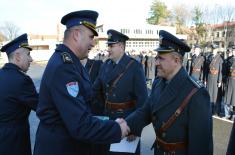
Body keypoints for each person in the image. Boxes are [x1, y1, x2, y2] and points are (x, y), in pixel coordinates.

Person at [33, 10, 130, 155]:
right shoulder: (64, 67)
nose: (93, 43)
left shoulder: (71, 62)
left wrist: (107, 123)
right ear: (76, 34)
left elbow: (83, 106)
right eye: (91, 37)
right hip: (60, 148)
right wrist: (116, 129)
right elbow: (79, 124)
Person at [124, 30, 213, 155]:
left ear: (176, 60)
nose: (156, 63)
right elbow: (145, 112)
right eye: (156, 58)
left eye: (160, 58)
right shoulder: (158, 83)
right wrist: (122, 125)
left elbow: (200, 145)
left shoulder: (196, 93)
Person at [93, 29, 148, 155]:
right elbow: (95, 91)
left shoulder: (134, 66)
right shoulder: (105, 65)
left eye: (111, 46)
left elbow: (143, 101)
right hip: (108, 121)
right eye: (108, 45)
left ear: (121, 47)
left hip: (127, 122)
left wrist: (135, 128)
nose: (108, 49)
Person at [0, 33, 38, 155]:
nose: (31, 59)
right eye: (28, 54)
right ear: (17, 57)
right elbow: (42, 106)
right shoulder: (21, 80)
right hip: (14, 141)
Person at [206, 44, 223, 116]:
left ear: (217, 50)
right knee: (209, 93)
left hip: (216, 77)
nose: (213, 50)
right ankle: (209, 108)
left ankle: (214, 110)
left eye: (215, 49)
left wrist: (219, 80)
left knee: (215, 94)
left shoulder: (219, 58)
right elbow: (207, 69)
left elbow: (220, 70)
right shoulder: (210, 57)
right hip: (210, 77)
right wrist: (206, 79)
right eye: (213, 49)